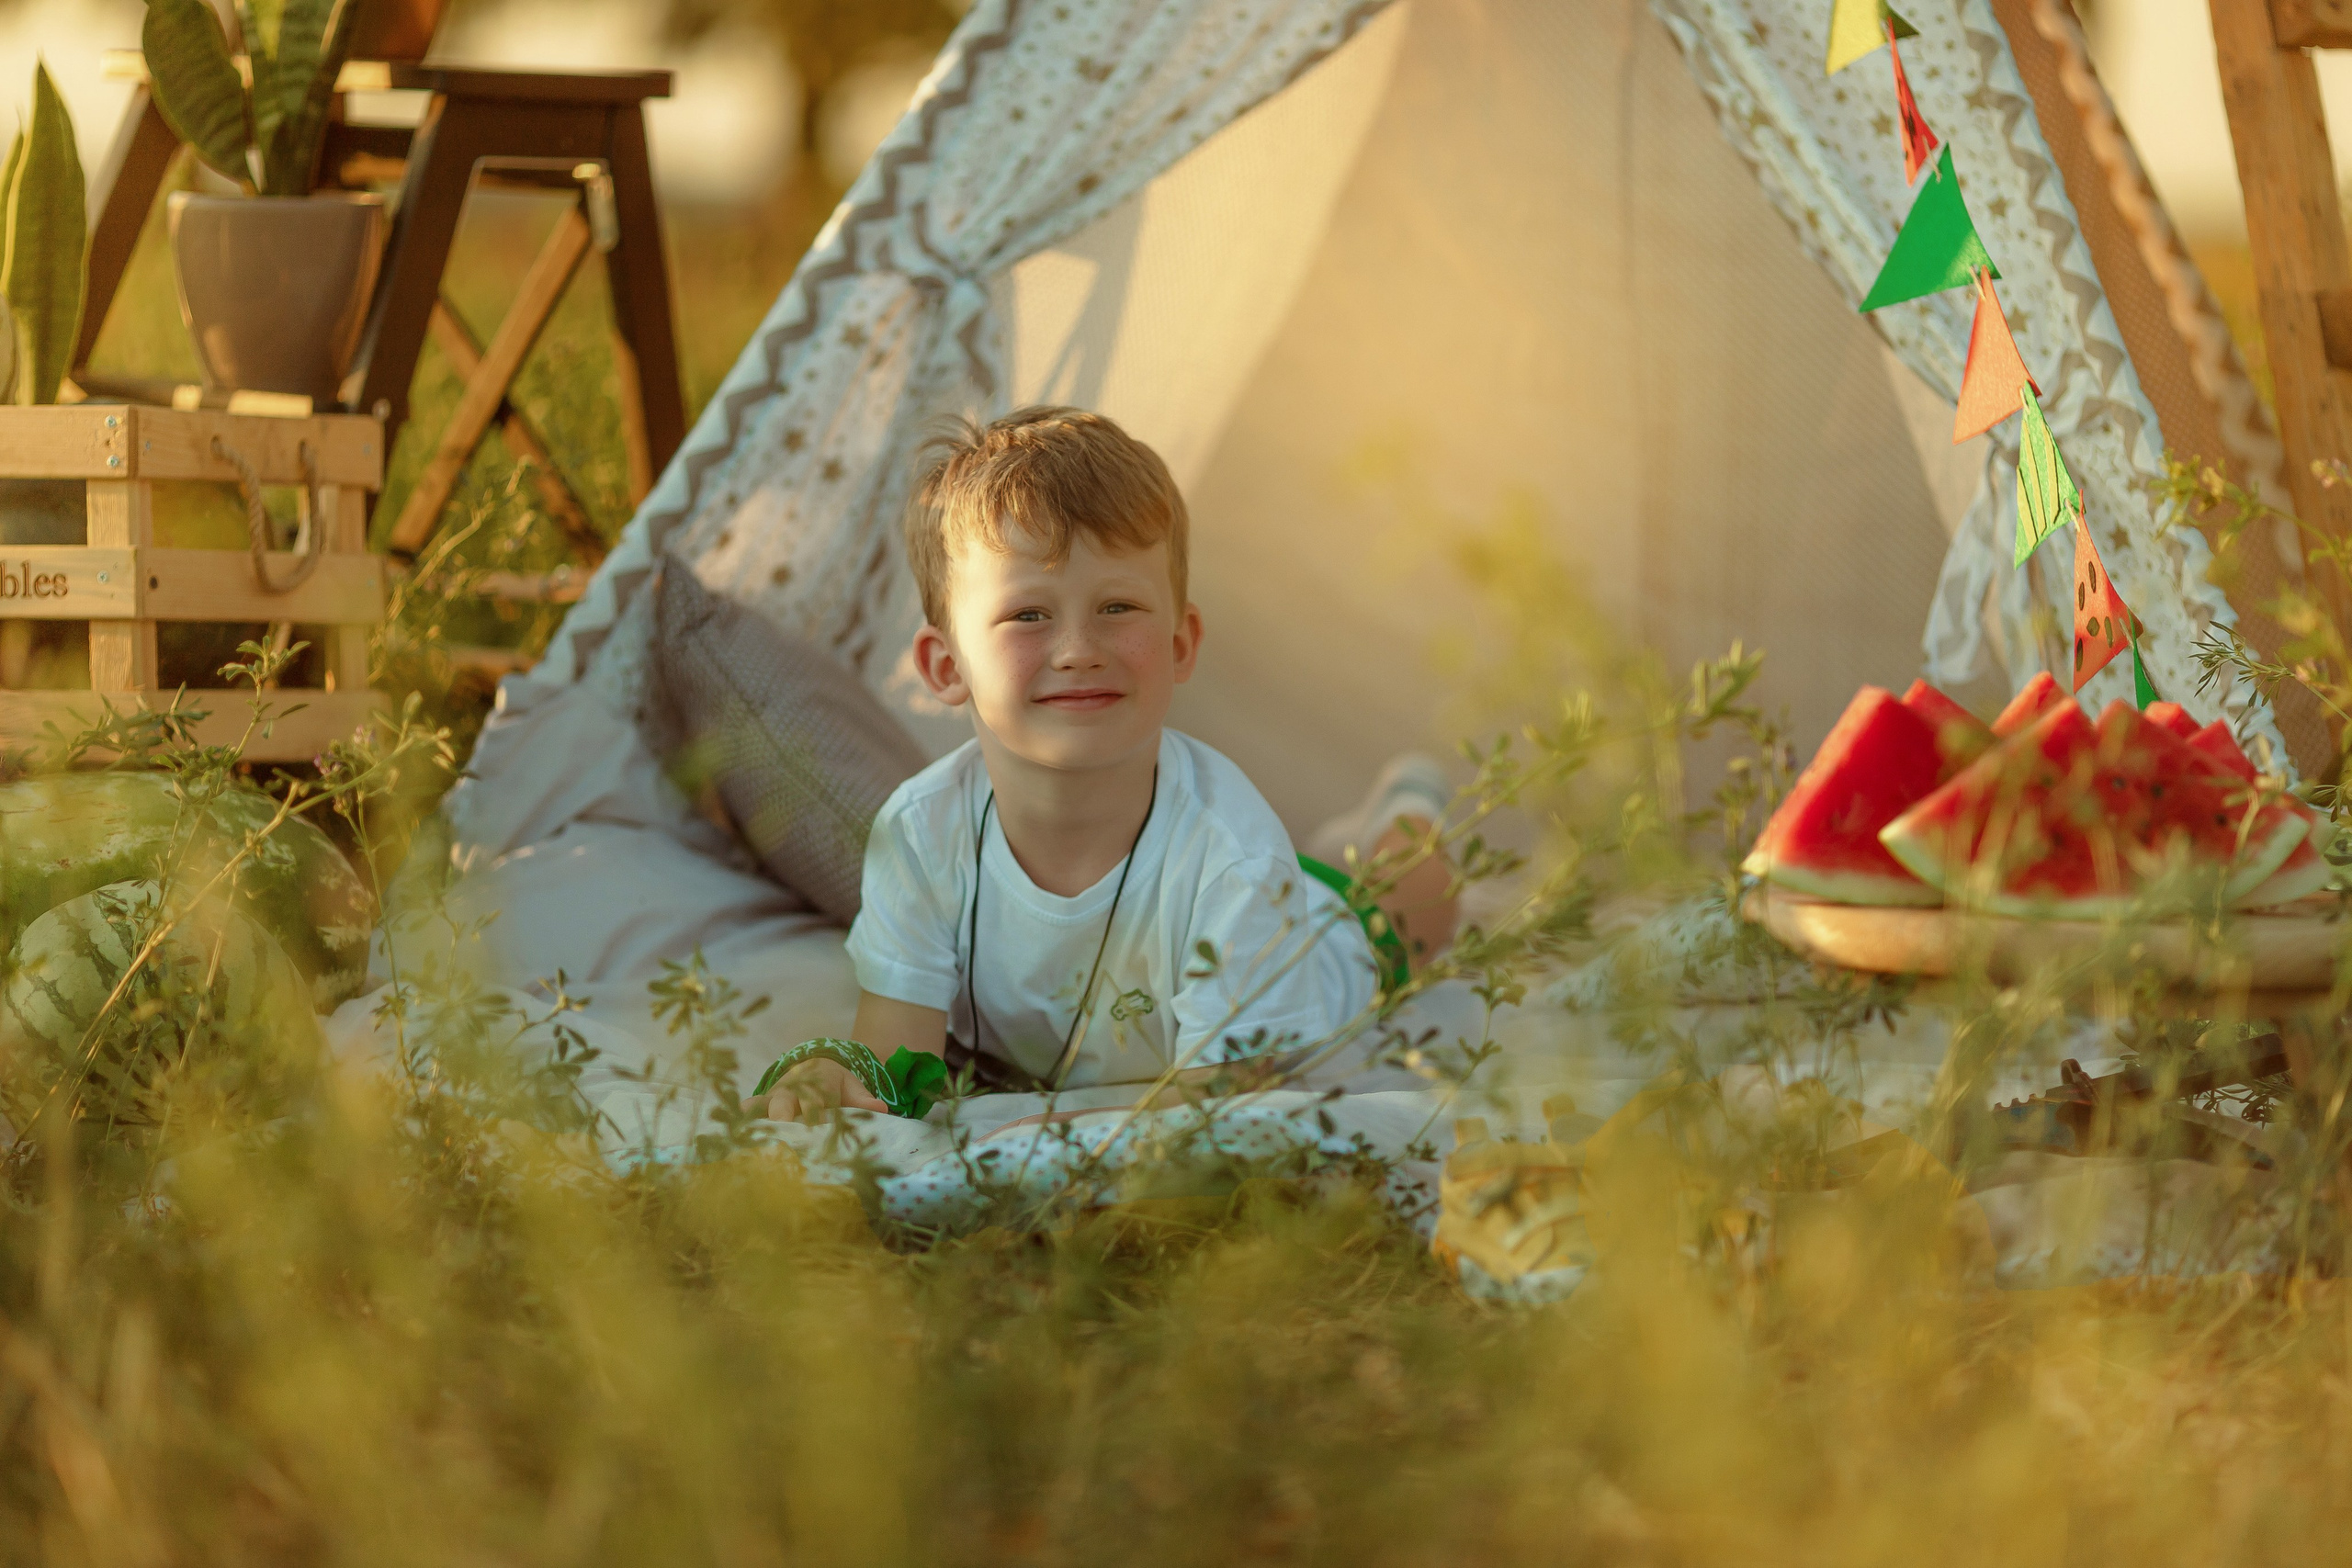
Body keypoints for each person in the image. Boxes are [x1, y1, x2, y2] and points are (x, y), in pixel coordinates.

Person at [751, 407, 1455, 1123]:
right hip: (1247, 894)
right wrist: (833, 1076)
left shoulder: (1231, 854)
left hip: (1306, 934)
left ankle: (1409, 804)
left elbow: (1214, 1108)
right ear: (944, 664)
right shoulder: (920, 835)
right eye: (1028, 615)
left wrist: (1030, 1137)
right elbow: (896, 1076)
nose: (1078, 648)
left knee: (1411, 906)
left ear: (1181, 644)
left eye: (1117, 605)